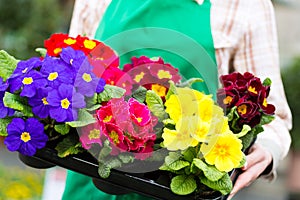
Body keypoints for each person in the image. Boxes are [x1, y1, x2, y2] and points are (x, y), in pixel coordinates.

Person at [64, 0, 292, 199]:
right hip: (91, 180)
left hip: (183, 183)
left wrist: (267, 150)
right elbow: (70, 74)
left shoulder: (246, 5)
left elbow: (273, 117)